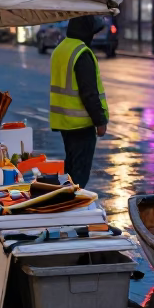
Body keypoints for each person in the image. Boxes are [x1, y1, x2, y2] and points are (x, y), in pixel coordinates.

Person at [48, 15, 109, 189]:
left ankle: (66, 205)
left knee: (72, 171)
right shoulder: (81, 53)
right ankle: (73, 209)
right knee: (79, 177)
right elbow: (89, 93)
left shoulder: (61, 49)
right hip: (81, 124)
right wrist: (100, 121)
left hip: (65, 122)